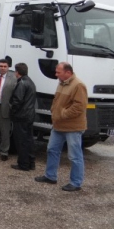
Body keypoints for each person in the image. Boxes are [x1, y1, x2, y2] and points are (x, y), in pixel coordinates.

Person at [35, 62, 88, 192]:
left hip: (72, 127)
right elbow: (56, 100)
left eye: (58, 72)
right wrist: (54, 111)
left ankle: (76, 183)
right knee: (52, 150)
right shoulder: (62, 83)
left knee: (74, 156)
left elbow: (79, 106)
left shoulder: (78, 85)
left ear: (68, 73)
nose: (56, 74)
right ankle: (50, 176)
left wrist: (62, 114)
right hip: (58, 125)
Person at [9, 63, 37, 171]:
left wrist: (13, 111)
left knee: (21, 141)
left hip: (21, 116)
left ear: (17, 72)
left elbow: (17, 100)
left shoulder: (22, 83)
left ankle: (23, 164)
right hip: (29, 114)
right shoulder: (30, 82)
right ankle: (31, 162)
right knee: (29, 140)